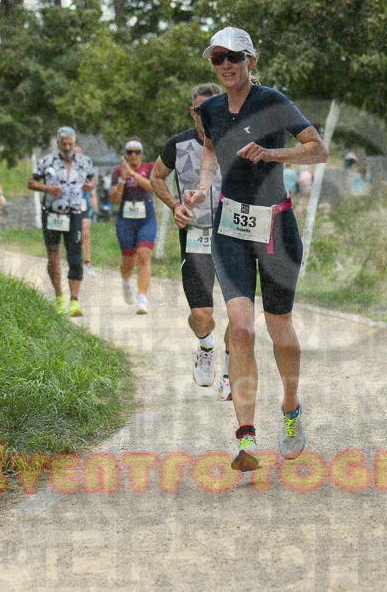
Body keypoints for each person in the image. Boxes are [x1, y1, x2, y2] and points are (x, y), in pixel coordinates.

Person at [183, 26, 329, 472]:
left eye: (234, 57)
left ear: (252, 60)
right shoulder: (208, 108)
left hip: (276, 227)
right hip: (230, 227)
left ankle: (290, 409)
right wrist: (201, 187)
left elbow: (317, 151)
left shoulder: (274, 102)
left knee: (278, 328)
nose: (226, 65)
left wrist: (271, 155)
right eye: (217, 58)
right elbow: (210, 151)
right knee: (241, 329)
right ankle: (246, 438)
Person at [150, 82, 233, 398]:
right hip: (196, 237)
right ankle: (205, 344)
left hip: (233, 236)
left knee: (238, 315)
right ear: (194, 111)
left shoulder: (238, 140)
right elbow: (156, 177)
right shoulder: (178, 143)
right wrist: (174, 206)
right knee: (202, 315)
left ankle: (228, 371)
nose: (210, 114)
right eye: (203, 109)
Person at [28, 127, 97, 317]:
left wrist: (90, 188)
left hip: (75, 213)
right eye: (64, 144)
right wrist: (46, 187)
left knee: (75, 257)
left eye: (70, 144)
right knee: (53, 257)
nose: (67, 147)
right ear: (58, 144)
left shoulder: (84, 162)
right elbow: (30, 183)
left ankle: (74, 302)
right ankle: (59, 296)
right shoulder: (47, 161)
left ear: (74, 144)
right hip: (52, 214)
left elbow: (92, 181)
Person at [110, 139, 157, 315]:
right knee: (129, 261)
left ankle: (142, 299)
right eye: (130, 152)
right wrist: (123, 179)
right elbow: (114, 200)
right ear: (126, 154)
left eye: (137, 152)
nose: (134, 155)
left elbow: (152, 187)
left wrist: (132, 174)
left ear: (141, 153)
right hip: (126, 218)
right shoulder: (117, 171)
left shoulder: (150, 167)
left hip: (146, 217)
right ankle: (126, 282)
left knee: (144, 256)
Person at [74, 144, 96, 276]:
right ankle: (74, 260)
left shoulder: (86, 168)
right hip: (69, 204)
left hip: (83, 202)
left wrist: (93, 196)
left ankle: (87, 262)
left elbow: (92, 183)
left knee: (85, 231)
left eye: (79, 154)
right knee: (71, 234)